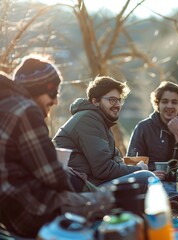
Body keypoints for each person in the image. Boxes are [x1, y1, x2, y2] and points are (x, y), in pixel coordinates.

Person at [0, 55, 113, 238]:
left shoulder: (6, 106)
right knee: (114, 201)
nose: (55, 101)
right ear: (39, 89)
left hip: (11, 212)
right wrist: (73, 184)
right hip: (34, 208)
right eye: (53, 93)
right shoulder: (26, 110)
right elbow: (52, 175)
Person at [53, 76, 155, 190]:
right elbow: (103, 169)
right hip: (83, 187)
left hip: (92, 182)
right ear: (95, 101)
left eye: (118, 100)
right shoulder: (88, 119)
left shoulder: (100, 121)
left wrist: (132, 167)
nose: (117, 105)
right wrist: (139, 169)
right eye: (112, 99)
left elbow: (113, 162)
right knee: (146, 177)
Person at [126, 81, 178, 211]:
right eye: (164, 101)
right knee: (146, 184)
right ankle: (174, 202)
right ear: (157, 104)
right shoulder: (143, 127)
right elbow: (131, 162)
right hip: (158, 182)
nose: (169, 106)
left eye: (174, 102)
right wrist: (151, 172)